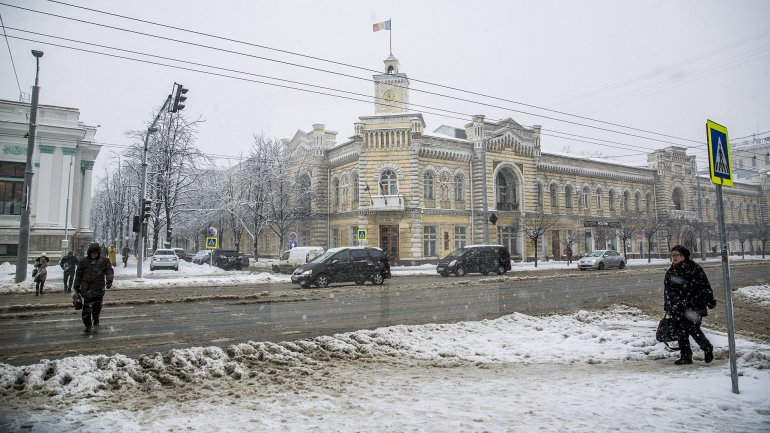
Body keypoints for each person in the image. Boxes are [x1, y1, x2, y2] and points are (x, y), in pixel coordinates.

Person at [663, 245, 716, 365]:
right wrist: (668, 306)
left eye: (676, 255)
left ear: (683, 256)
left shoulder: (693, 268)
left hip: (693, 306)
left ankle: (707, 347)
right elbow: (667, 290)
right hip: (677, 307)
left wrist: (709, 300)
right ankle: (686, 357)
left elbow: (704, 285)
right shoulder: (671, 270)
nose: (674, 257)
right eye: (672, 255)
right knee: (681, 332)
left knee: (693, 329)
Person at [73, 242, 114, 334]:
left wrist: (109, 281)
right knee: (86, 309)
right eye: (92, 252)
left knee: (97, 307)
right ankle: (87, 325)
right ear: (89, 252)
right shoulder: (83, 262)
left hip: (99, 289)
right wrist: (76, 286)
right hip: (86, 289)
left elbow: (109, 271)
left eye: (96, 252)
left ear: (98, 252)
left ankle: (96, 320)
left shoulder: (104, 261)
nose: (94, 254)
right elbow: (78, 274)